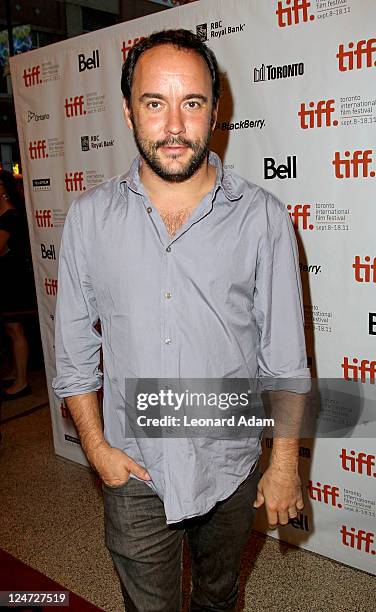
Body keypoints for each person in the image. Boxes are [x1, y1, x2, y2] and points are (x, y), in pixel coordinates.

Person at [52, 30, 310, 612]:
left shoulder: (262, 218)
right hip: (133, 467)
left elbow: (286, 357)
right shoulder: (90, 220)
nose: (173, 126)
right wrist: (95, 447)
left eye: (191, 102)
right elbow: (72, 353)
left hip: (230, 462)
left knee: (219, 597)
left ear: (216, 111)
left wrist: (285, 462)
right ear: (127, 111)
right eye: (154, 103)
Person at [0, 170, 35, 400]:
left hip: (12, 279)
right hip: (6, 278)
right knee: (9, 328)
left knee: (15, 329)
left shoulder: (10, 216)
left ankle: (22, 381)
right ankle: (15, 372)